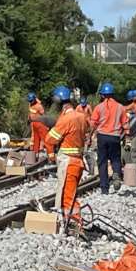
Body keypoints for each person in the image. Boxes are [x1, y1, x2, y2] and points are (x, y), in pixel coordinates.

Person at [46, 84, 88, 229]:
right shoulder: (82, 117)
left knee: (67, 195)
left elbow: (49, 139)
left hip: (68, 162)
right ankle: (69, 221)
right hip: (79, 161)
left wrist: (51, 154)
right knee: (72, 193)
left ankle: (75, 224)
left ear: (59, 102)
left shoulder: (66, 120)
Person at [88, 81, 126, 193]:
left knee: (102, 161)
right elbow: (126, 124)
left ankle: (104, 188)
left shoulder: (99, 107)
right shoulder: (121, 107)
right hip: (115, 136)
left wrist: (90, 136)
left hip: (102, 137)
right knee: (116, 159)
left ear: (102, 95)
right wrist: (125, 136)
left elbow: (93, 123)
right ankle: (116, 173)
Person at [26, 91, 48, 158]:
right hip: (33, 123)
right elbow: (30, 113)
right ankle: (33, 151)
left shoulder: (39, 106)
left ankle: (40, 151)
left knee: (40, 137)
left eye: (31, 101)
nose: (30, 102)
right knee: (33, 137)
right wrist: (28, 120)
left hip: (39, 123)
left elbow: (43, 116)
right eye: (29, 101)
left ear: (34, 99)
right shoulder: (30, 104)